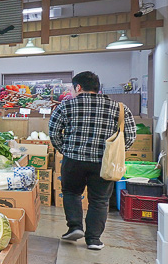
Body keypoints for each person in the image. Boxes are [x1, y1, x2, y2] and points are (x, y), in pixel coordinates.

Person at [49, 71, 136, 250]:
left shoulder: (65, 106)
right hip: (104, 162)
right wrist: (115, 152)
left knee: (71, 193)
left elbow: (54, 132)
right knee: (100, 200)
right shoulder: (119, 107)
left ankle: (75, 227)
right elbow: (131, 135)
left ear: (78, 87)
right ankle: (94, 239)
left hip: (73, 160)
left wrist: (64, 150)